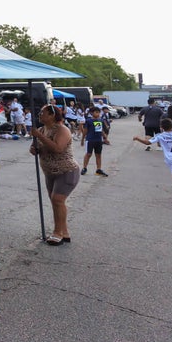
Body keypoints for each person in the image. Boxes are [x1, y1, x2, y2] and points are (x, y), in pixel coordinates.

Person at [29, 104, 81, 245]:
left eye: (43, 112)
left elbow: (58, 148)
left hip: (66, 171)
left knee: (57, 200)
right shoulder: (41, 129)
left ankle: (58, 232)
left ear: (52, 115)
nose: (39, 115)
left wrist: (39, 136)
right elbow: (38, 147)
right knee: (56, 202)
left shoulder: (62, 130)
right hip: (50, 172)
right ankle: (64, 232)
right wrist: (34, 148)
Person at [133, 118, 172, 201]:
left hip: (170, 159)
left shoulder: (160, 136)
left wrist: (137, 138)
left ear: (161, 127)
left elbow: (148, 142)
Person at [80, 106, 110, 177]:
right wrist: (82, 139)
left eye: (99, 112)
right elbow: (85, 131)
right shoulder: (89, 121)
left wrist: (105, 138)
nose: (98, 114)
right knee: (88, 154)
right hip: (90, 140)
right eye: (96, 112)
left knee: (98, 155)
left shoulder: (100, 120)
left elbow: (100, 130)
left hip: (98, 140)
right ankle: (84, 168)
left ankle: (98, 169)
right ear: (91, 113)